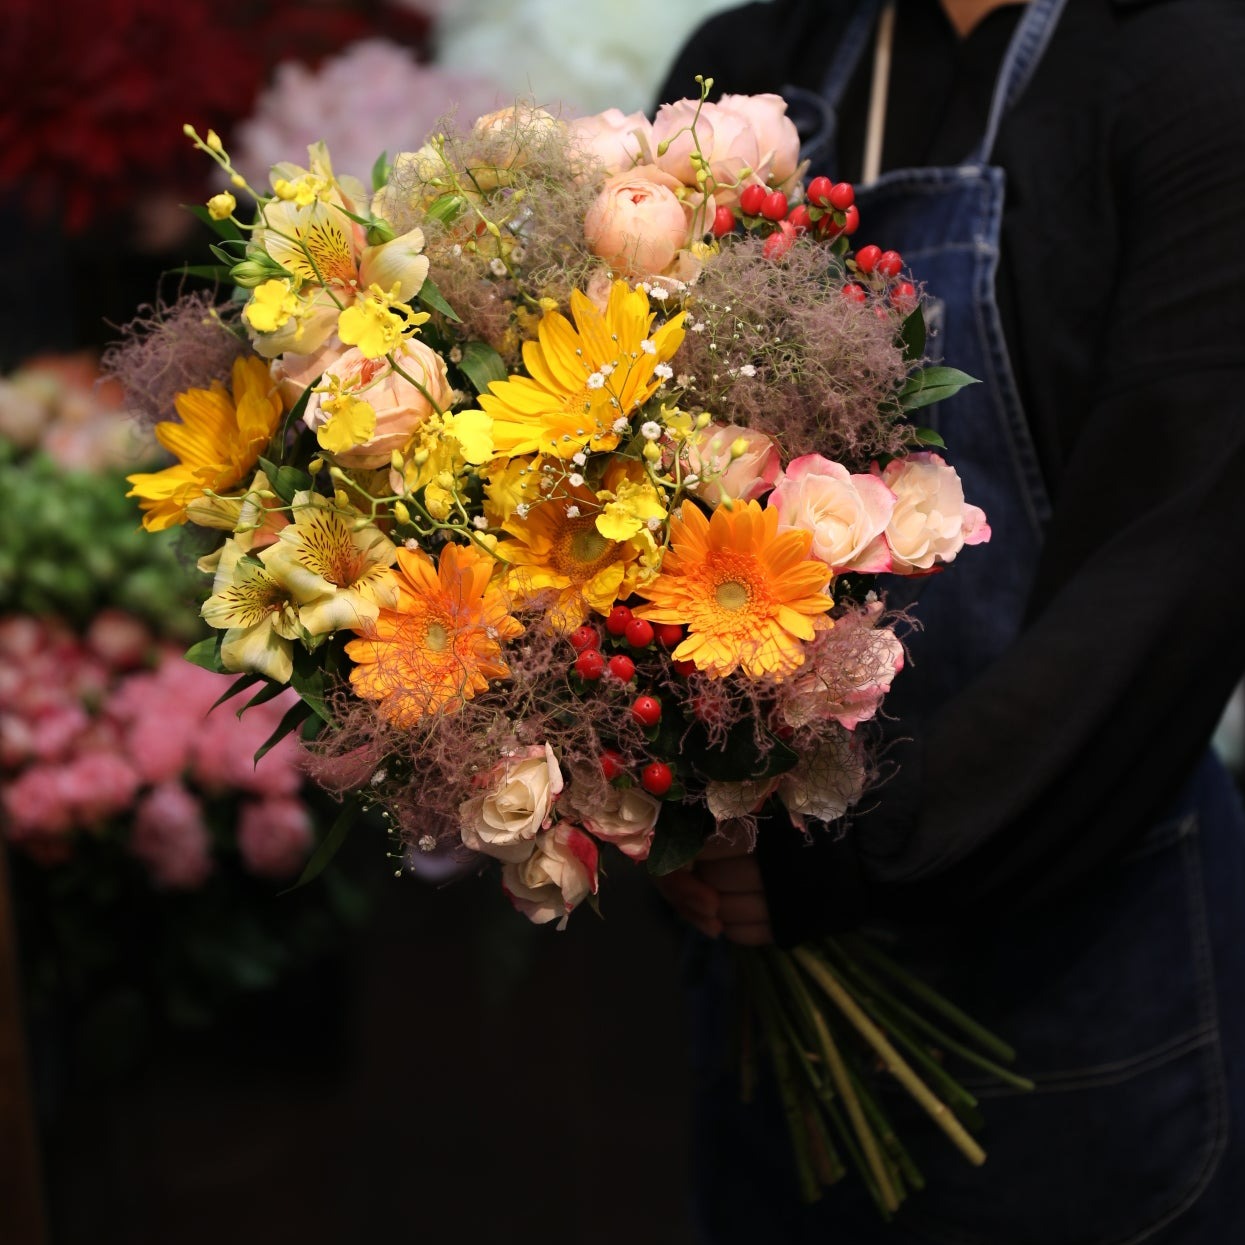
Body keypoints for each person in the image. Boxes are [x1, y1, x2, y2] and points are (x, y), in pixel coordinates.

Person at [653, 1, 1245, 1241]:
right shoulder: (757, 69)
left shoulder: (1189, 68)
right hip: (767, 980)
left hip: (1077, 988)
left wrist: (859, 853)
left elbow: (1175, 576)